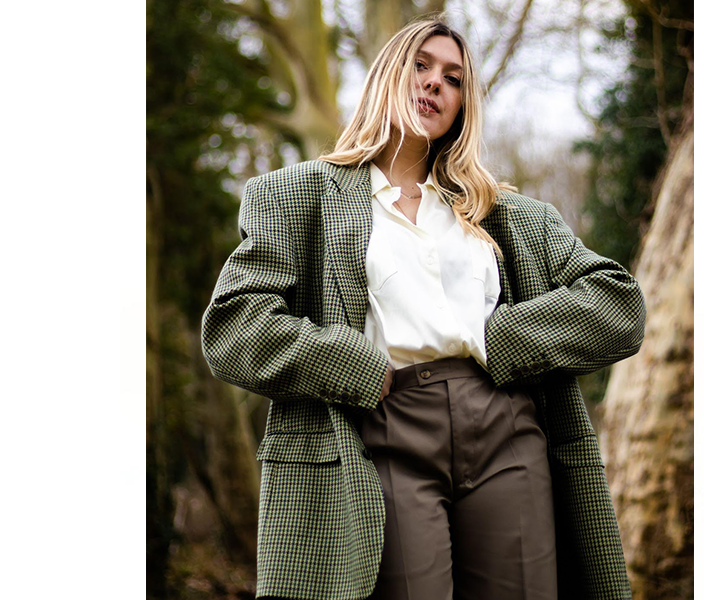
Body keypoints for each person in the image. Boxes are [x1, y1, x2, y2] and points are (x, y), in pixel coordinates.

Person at [202, 17, 646, 600]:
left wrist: (502, 339)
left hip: (505, 428)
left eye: (453, 78)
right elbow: (235, 325)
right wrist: (351, 365)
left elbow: (619, 304)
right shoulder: (296, 197)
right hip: (387, 431)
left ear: (463, 104)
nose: (435, 83)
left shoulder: (505, 214)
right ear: (388, 74)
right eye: (421, 65)